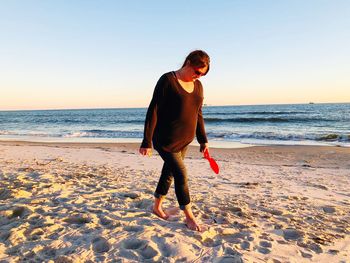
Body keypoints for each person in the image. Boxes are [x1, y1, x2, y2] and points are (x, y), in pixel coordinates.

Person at [139, 50, 210, 231]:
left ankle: (156, 206)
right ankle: (189, 216)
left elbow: (198, 113)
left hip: (185, 140)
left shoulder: (199, 86)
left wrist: (203, 140)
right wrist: (146, 141)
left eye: (202, 74)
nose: (198, 76)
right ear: (187, 62)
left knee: (169, 173)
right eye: (197, 71)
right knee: (181, 174)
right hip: (165, 139)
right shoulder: (168, 80)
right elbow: (153, 109)